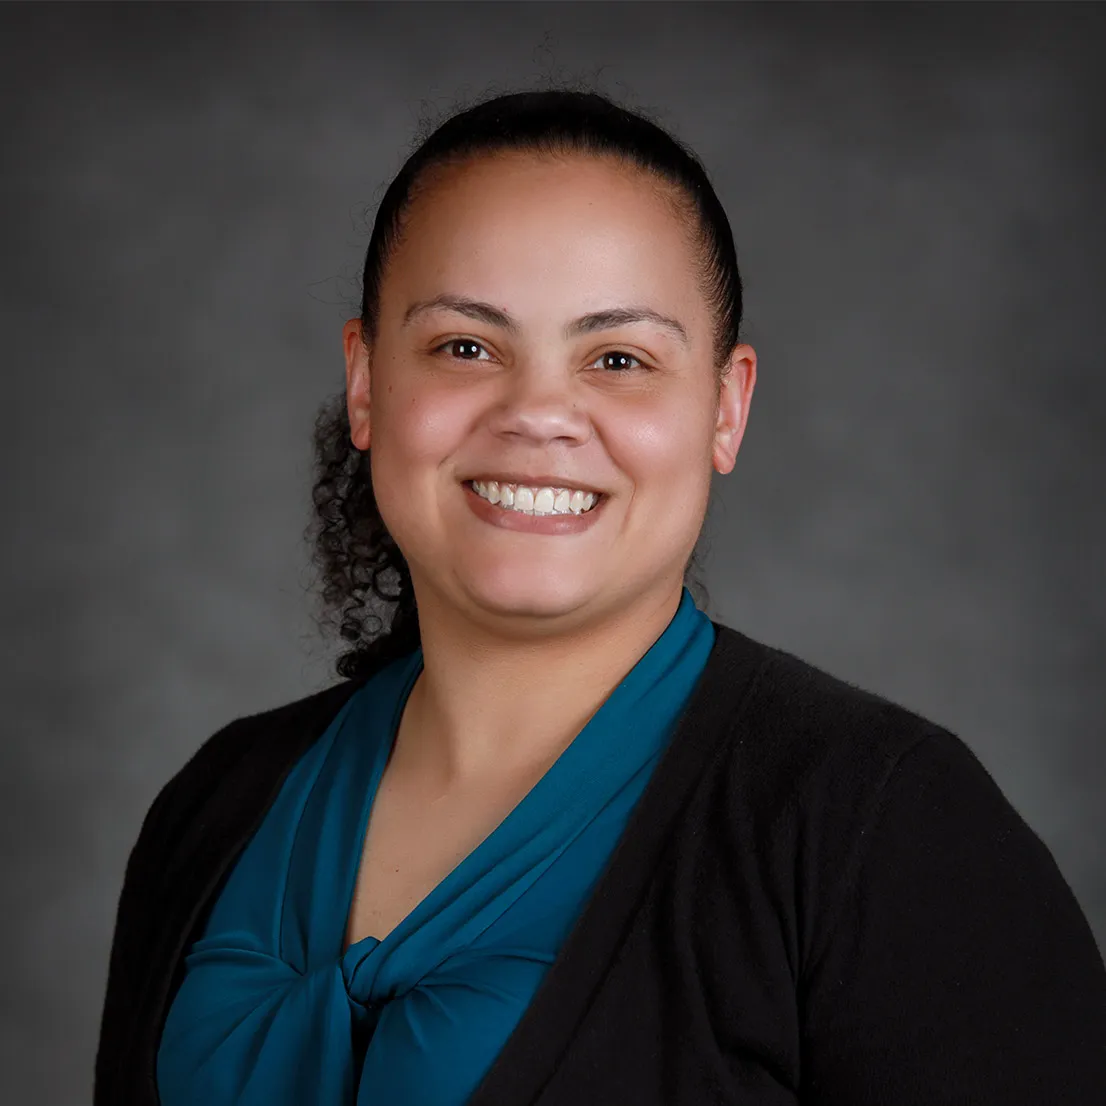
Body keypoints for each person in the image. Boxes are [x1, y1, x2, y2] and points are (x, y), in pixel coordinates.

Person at [94, 87, 1106, 1106]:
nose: (538, 413)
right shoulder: (217, 803)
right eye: (465, 346)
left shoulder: (883, 825)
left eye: (618, 359)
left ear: (725, 407)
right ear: (365, 383)